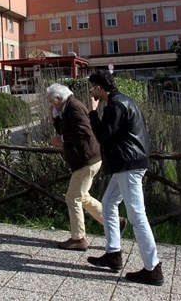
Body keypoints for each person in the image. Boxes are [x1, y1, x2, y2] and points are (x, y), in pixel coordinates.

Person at [85, 70, 163, 286]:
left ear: (100, 88)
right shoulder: (125, 101)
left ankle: (153, 268)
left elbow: (103, 136)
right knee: (109, 203)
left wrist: (92, 113)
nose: (92, 92)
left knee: (137, 216)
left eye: (93, 88)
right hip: (127, 164)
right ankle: (113, 254)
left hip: (128, 165)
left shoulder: (115, 106)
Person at [46, 83, 104, 251]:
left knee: (72, 197)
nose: (50, 104)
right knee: (82, 196)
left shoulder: (74, 107)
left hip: (87, 160)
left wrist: (62, 139)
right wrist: (56, 118)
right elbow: (65, 130)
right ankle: (115, 222)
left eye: (51, 101)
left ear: (58, 98)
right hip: (88, 159)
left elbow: (85, 131)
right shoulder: (67, 108)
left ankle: (78, 239)